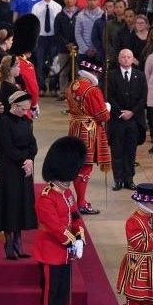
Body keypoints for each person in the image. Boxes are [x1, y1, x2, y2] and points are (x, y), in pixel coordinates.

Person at [34, 136, 87, 305]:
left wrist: (80, 236)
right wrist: (73, 241)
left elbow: (75, 217)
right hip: (51, 251)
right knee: (51, 294)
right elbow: (55, 227)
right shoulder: (46, 196)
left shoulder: (66, 193)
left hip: (65, 253)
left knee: (62, 293)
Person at [0, 92, 38, 259]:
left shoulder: (26, 121)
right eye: (24, 108)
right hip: (10, 169)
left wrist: (30, 159)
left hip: (24, 168)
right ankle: (9, 243)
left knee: (22, 204)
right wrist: (24, 159)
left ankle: (19, 242)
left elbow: (33, 144)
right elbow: (7, 147)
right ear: (15, 106)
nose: (26, 112)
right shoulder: (3, 122)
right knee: (10, 204)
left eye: (28, 108)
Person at [66, 64, 111, 214]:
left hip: (74, 127)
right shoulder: (92, 90)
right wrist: (107, 108)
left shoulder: (72, 85)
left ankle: (80, 201)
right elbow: (102, 115)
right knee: (85, 167)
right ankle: (81, 202)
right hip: (88, 130)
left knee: (77, 165)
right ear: (94, 74)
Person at [108, 49, 148, 190]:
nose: (126, 59)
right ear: (119, 59)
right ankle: (118, 179)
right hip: (117, 120)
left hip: (134, 120)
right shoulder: (111, 76)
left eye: (128, 57)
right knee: (117, 150)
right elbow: (108, 96)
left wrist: (132, 112)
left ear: (133, 59)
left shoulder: (140, 76)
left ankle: (129, 179)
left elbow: (143, 97)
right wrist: (120, 112)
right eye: (123, 57)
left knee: (131, 151)